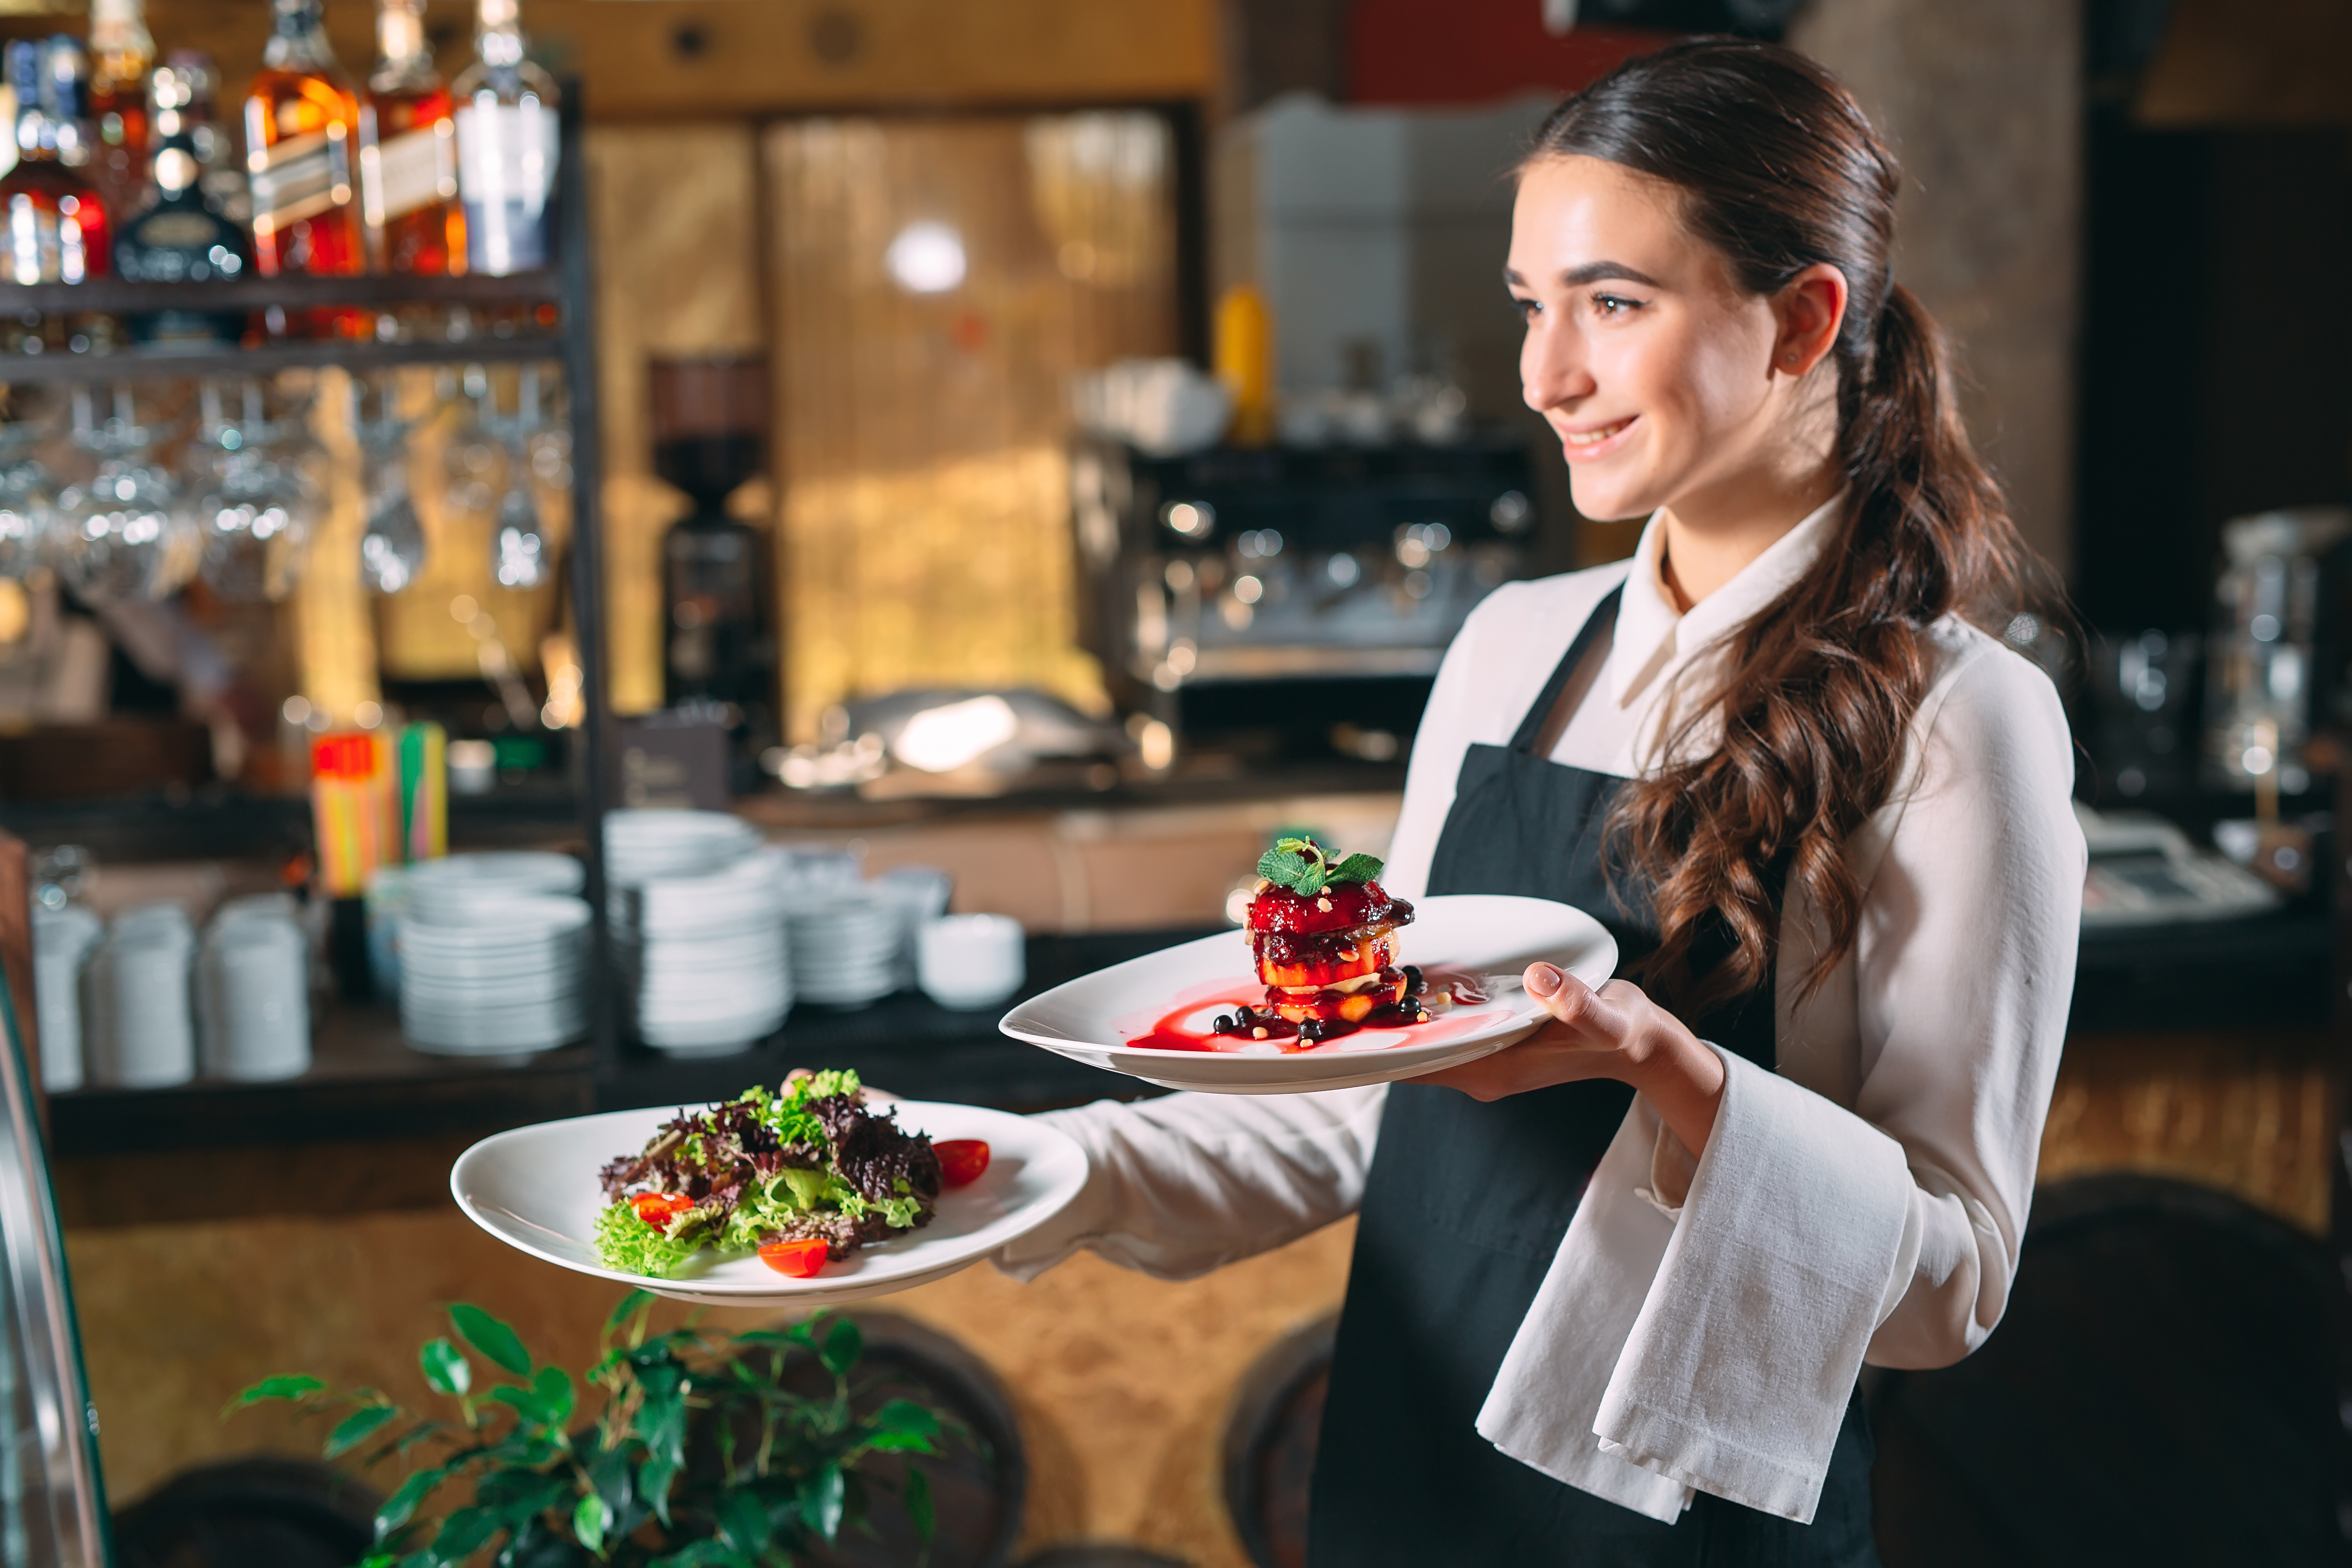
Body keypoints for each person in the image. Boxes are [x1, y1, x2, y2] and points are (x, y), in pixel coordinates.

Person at [996, 38, 2083, 1565]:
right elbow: (1366, 1116)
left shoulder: (1964, 720)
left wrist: (1674, 1081)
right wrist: (1014, 1177)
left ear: (1801, 320)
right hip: (1410, 1473)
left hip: (1683, 1517)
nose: (1543, 375)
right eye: (1531, 305)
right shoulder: (1513, 647)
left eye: (1612, 303)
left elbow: (1949, 1288)